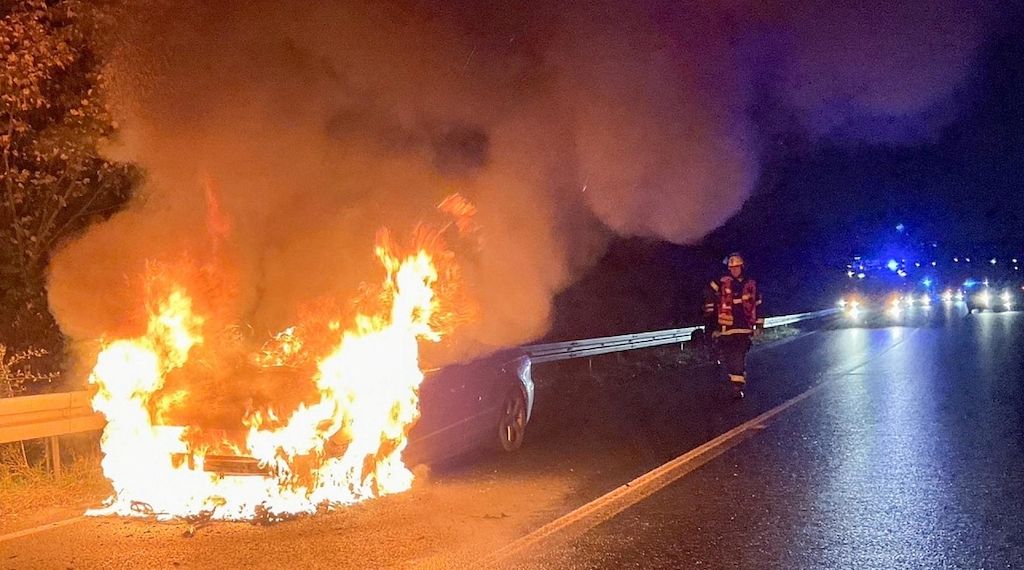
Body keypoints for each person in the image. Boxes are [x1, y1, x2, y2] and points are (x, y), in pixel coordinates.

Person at [703, 252, 764, 398]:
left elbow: (758, 304)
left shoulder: (751, 284)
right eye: (732, 268)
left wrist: (759, 325)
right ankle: (736, 382)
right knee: (730, 357)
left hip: (744, 327)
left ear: (742, 267)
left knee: (738, 355)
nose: (734, 270)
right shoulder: (722, 282)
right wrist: (711, 318)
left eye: (736, 267)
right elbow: (708, 292)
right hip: (726, 329)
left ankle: (737, 387)